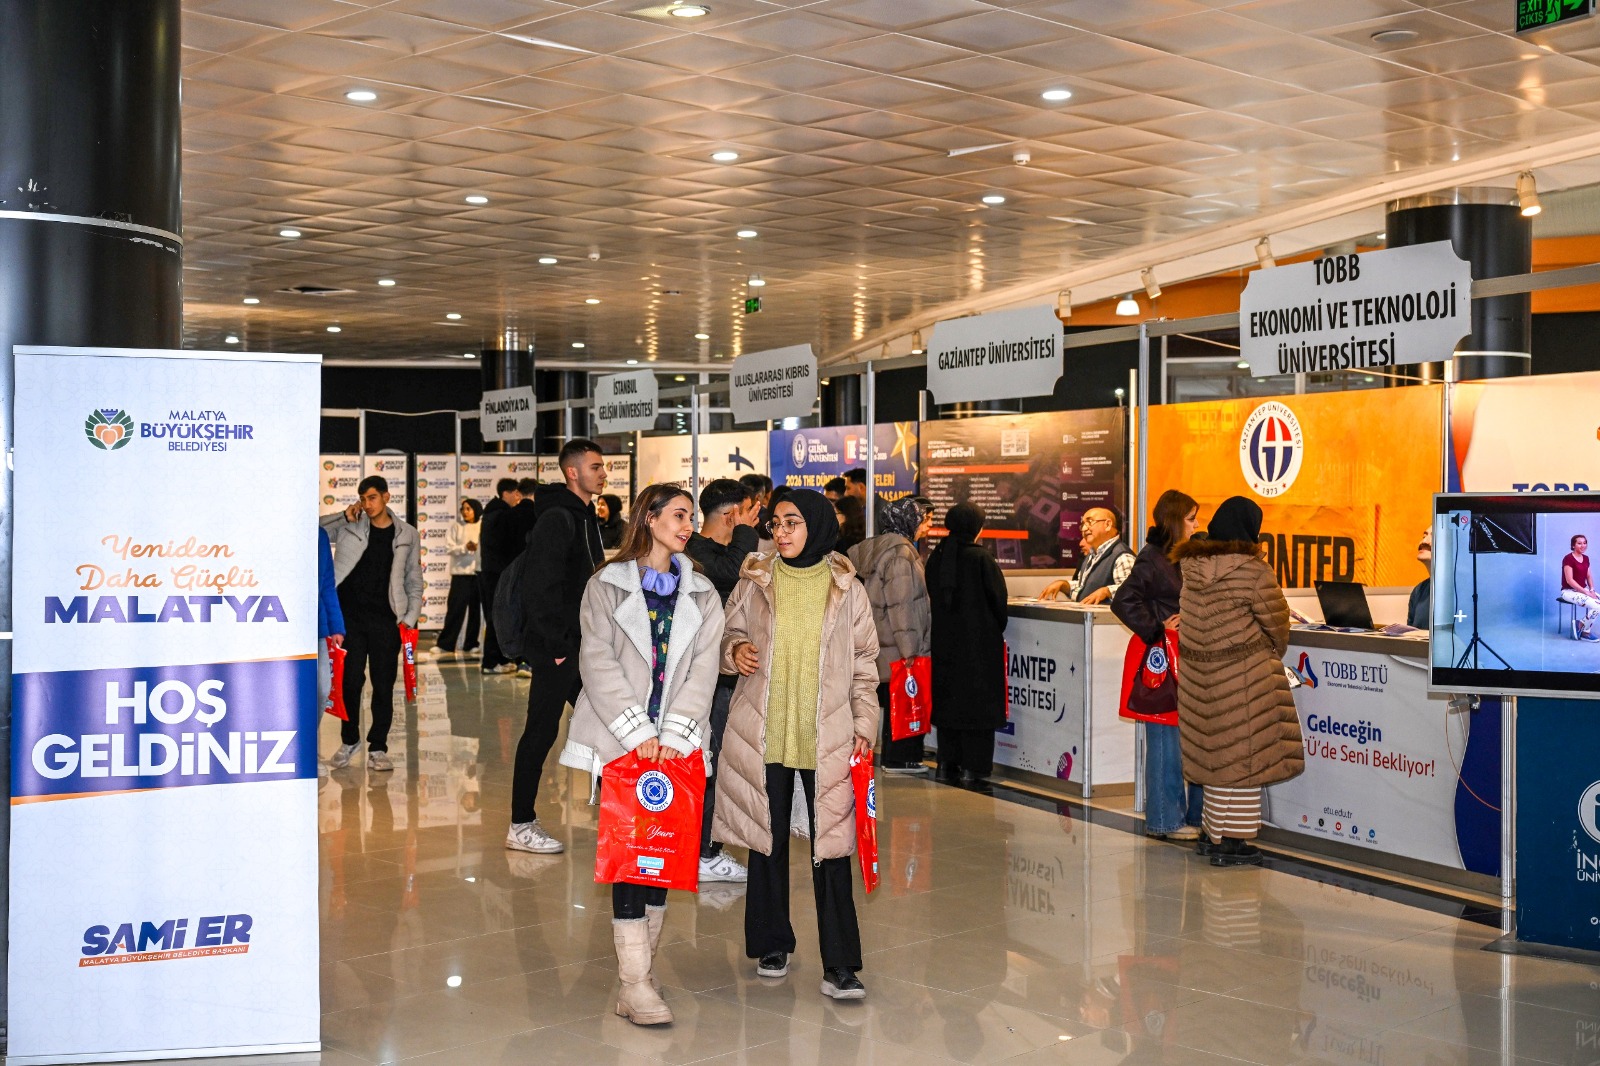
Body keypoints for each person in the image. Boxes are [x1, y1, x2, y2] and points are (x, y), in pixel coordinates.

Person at [557, 484, 726, 1027]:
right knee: (632, 856)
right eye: (678, 515)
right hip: (622, 743)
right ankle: (636, 982)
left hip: (676, 745)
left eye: (691, 517)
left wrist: (673, 734)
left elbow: (704, 668)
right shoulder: (604, 587)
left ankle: (640, 977)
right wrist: (637, 733)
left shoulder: (702, 592)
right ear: (649, 519)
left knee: (663, 856)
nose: (687, 525)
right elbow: (596, 660)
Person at [715, 489, 879, 1001]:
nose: (780, 532)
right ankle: (771, 942)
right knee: (768, 841)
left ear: (817, 526)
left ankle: (841, 965)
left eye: (792, 523)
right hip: (765, 732)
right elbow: (728, 632)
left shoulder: (846, 586)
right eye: (775, 523)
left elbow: (865, 667)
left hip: (827, 736)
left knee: (832, 850)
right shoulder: (756, 576)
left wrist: (865, 724)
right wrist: (733, 650)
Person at [1172, 496, 1302, 867]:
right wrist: (1267, 649)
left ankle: (1212, 836)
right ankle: (1233, 842)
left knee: (1217, 758)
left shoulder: (1192, 566)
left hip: (1201, 680)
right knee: (1245, 762)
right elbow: (1278, 625)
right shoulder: (1253, 570)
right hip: (1246, 677)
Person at [505, 440, 607, 854]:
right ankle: (520, 823)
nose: (603, 473)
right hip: (559, 648)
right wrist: (559, 645)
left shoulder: (584, 517)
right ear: (573, 473)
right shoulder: (557, 519)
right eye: (595, 467)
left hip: (581, 645)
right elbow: (540, 589)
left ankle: (623, 814)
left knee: (608, 724)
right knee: (541, 731)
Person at [1110, 490, 1202, 842]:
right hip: (1163, 659)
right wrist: (1156, 627)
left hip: (1183, 658)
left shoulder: (1177, 556)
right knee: (1165, 738)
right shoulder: (1153, 558)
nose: (1196, 525)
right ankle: (1165, 819)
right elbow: (1124, 600)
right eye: (1191, 518)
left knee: (1179, 738)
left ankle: (1181, 814)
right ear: (1176, 520)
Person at [321, 475, 424, 772]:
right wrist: (343, 515)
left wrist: (408, 618)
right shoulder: (350, 525)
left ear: (386, 497)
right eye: (363, 498)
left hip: (386, 621)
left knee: (383, 686)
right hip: (350, 618)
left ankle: (378, 747)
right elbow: (313, 530)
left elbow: (414, 581)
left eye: (372, 498)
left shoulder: (407, 534)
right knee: (350, 682)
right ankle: (350, 739)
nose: (367, 504)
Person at [685, 478, 760, 884]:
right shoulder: (697, 552)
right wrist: (746, 532)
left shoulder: (720, 551)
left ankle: (707, 846)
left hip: (724, 673)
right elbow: (731, 573)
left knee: (723, 760)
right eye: (750, 514)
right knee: (711, 761)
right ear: (733, 515)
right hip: (706, 678)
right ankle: (703, 852)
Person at [848, 495, 935, 774]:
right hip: (897, 646)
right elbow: (902, 605)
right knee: (903, 701)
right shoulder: (901, 553)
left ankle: (893, 757)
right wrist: (910, 651)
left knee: (888, 700)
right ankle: (900, 759)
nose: (927, 526)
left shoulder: (880, 549)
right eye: (924, 518)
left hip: (880, 641)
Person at [925, 503, 1009, 785]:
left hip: (944, 644)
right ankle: (974, 767)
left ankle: (947, 763)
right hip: (978, 648)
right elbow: (998, 602)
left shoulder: (937, 556)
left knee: (950, 704)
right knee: (978, 708)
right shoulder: (981, 559)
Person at [477, 478, 523, 676]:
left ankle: (499, 659)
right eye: (515, 493)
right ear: (506, 493)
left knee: (496, 616)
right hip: (497, 574)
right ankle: (490, 661)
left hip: (490, 572)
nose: (518, 498)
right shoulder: (501, 515)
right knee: (496, 616)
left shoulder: (491, 513)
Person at [1041, 508, 1135, 605]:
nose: (1084, 529)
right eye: (1082, 525)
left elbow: (1132, 591)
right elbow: (1084, 588)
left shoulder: (1122, 556)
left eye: (1090, 522)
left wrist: (1107, 591)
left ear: (1107, 525)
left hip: (1107, 620)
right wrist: (1064, 585)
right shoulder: (1092, 555)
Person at [426, 498, 481, 660]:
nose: (465, 512)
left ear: (476, 510)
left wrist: (477, 547)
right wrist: (465, 547)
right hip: (460, 575)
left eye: (469, 509)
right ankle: (446, 644)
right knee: (455, 610)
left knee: (475, 612)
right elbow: (449, 547)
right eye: (463, 509)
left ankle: (471, 643)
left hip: (477, 573)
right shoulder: (456, 527)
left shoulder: (482, 526)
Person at [316, 526, 346, 718]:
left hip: (316, 626)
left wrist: (336, 627)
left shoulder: (320, 535)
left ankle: (310, 740)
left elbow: (327, 583)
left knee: (322, 689)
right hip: (281, 624)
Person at [1560, 533, 1600, 641]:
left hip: (1583, 590)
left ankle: (1581, 624)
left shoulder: (1586, 558)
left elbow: (1588, 576)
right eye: (1579, 543)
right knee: (1597, 606)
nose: (1583, 545)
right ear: (1573, 545)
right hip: (1569, 592)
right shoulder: (1568, 558)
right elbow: (1570, 580)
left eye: (1585, 543)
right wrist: (1587, 593)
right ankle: (1585, 632)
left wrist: (1592, 590)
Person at [1408, 528, 1432, 630]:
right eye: (1424, 536)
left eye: (1433, 535)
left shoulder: (1465, 589)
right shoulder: (1418, 590)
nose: (1424, 541)